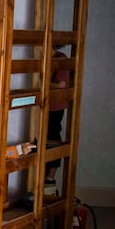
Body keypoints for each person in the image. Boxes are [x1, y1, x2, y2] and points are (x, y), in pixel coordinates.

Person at [44, 44, 71, 195]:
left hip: (55, 106)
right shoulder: (44, 59)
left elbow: (61, 86)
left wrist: (43, 83)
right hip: (44, 105)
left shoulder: (61, 59)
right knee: (42, 139)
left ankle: (50, 177)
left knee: (53, 138)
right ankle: (44, 176)